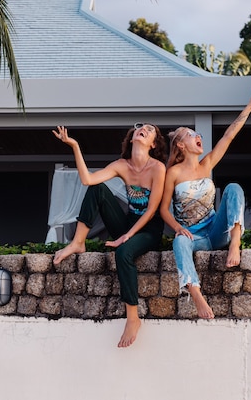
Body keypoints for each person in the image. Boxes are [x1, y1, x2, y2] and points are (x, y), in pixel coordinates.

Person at [52, 123, 167, 348]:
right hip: (127, 225)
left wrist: (128, 236)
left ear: (153, 144)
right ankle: (78, 242)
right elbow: (87, 180)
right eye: (140, 127)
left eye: (150, 129)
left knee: (124, 251)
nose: (143, 128)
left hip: (149, 229)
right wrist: (74, 146)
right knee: (98, 189)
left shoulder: (158, 168)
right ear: (133, 136)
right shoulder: (121, 165)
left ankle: (133, 318)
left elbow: (152, 209)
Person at [160, 88, 251, 319]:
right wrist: (178, 229)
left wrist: (248, 108)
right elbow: (163, 209)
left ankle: (235, 243)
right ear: (180, 145)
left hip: (216, 230)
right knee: (178, 244)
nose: (198, 137)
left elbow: (228, 135)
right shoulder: (173, 173)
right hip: (193, 236)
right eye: (191, 135)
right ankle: (196, 295)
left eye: (198, 134)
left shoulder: (207, 164)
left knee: (234, 187)